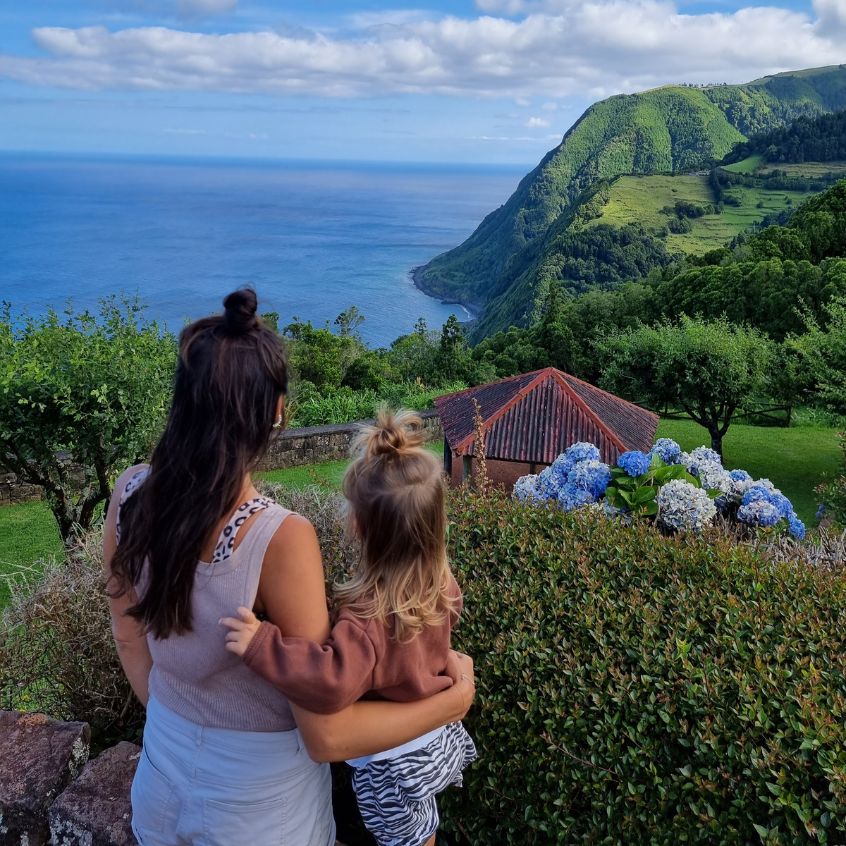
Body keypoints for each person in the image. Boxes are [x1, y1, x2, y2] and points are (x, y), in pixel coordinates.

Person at [102, 288, 475, 846]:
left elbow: (129, 636)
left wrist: (182, 728)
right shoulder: (279, 538)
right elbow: (326, 734)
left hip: (162, 771)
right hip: (257, 805)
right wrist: (454, 701)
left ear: (183, 399)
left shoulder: (130, 494)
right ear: (276, 412)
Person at [221, 408, 476, 846]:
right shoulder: (444, 587)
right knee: (424, 829)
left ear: (357, 526)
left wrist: (263, 645)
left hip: (390, 762)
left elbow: (332, 681)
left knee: (405, 839)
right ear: (436, 526)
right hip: (433, 740)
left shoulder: (366, 620)